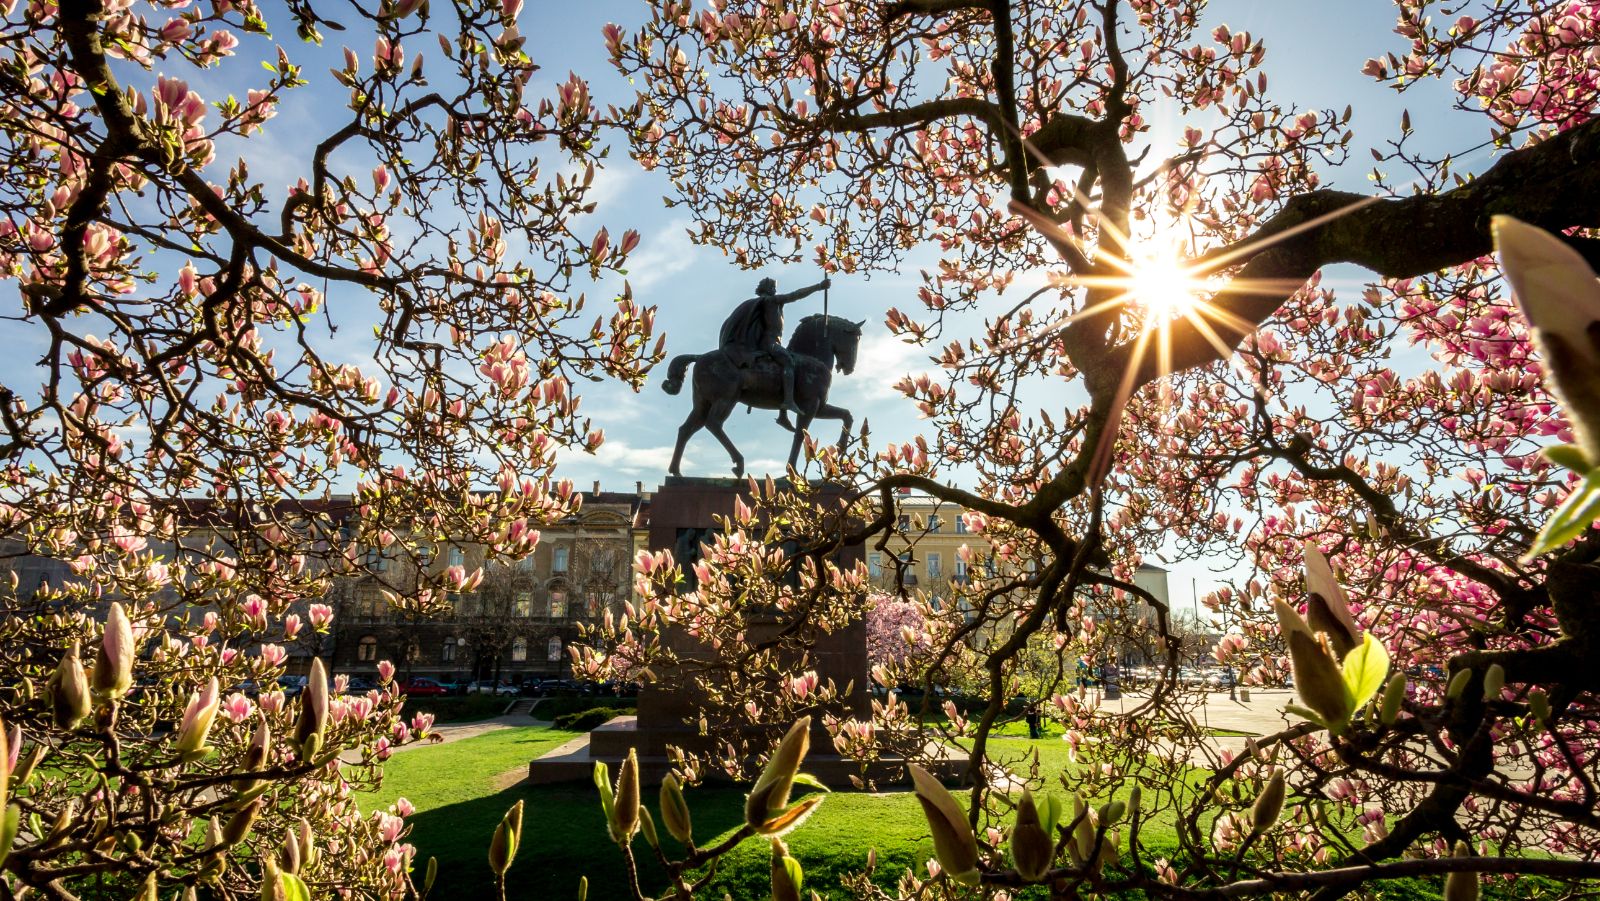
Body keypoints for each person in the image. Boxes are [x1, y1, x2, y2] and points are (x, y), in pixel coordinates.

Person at [717, 276, 830, 424]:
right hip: (769, 343)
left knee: (781, 365)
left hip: (772, 342)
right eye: (773, 287)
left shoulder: (767, 303)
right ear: (768, 289)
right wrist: (818, 287)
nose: (775, 290)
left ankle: (783, 415)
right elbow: (795, 295)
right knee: (788, 362)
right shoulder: (771, 301)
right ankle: (788, 401)